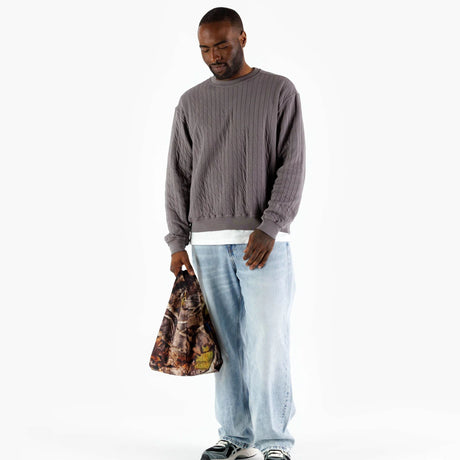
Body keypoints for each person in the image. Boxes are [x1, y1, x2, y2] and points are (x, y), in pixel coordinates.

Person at [164, 7, 306, 460]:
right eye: (205, 49)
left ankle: (276, 442)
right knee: (224, 345)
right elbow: (178, 175)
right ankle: (236, 435)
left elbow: (293, 164)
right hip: (206, 244)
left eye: (221, 45)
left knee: (268, 343)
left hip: (263, 243)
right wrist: (176, 241)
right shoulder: (190, 101)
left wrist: (269, 226)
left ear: (242, 36)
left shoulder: (278, 90)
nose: (213, 56)